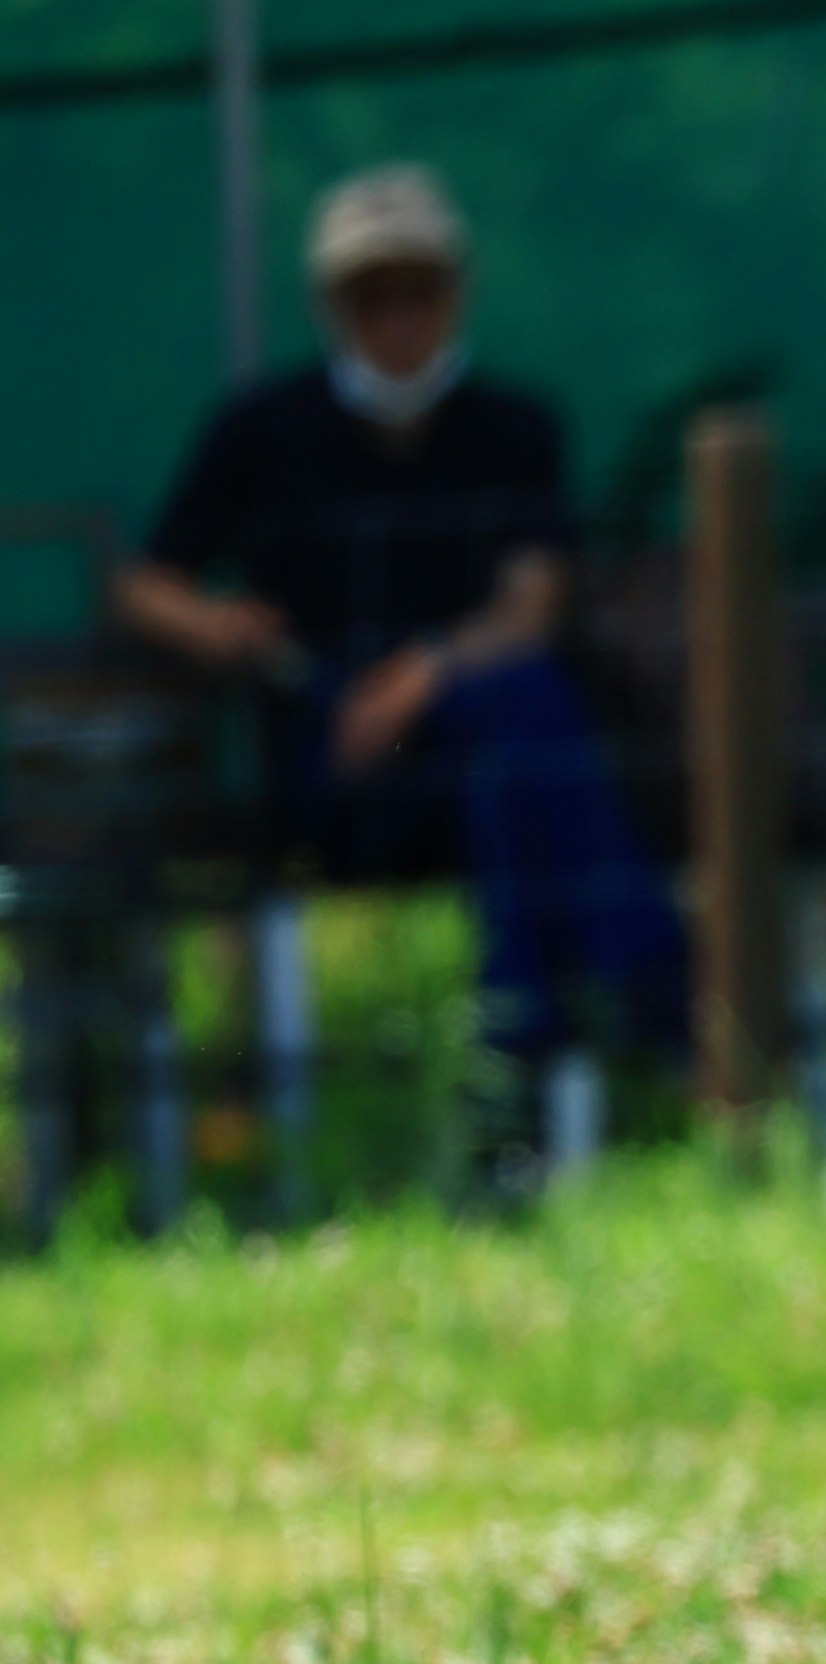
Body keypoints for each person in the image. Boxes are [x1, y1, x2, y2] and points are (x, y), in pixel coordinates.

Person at [114, 162, 684, 1123]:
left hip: (475, 757)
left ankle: (521, 1075)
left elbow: (534, 602)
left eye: (417, 291)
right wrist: (214, 625)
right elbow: (143, 584)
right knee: (526, 712)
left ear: (456, 293)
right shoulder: (263, 430)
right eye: (370, 296)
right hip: (334, 769)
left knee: (507, 743)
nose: (398, 318)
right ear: (332, 306)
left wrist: (421, 678)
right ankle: (659, 1015)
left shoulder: (515, 427)